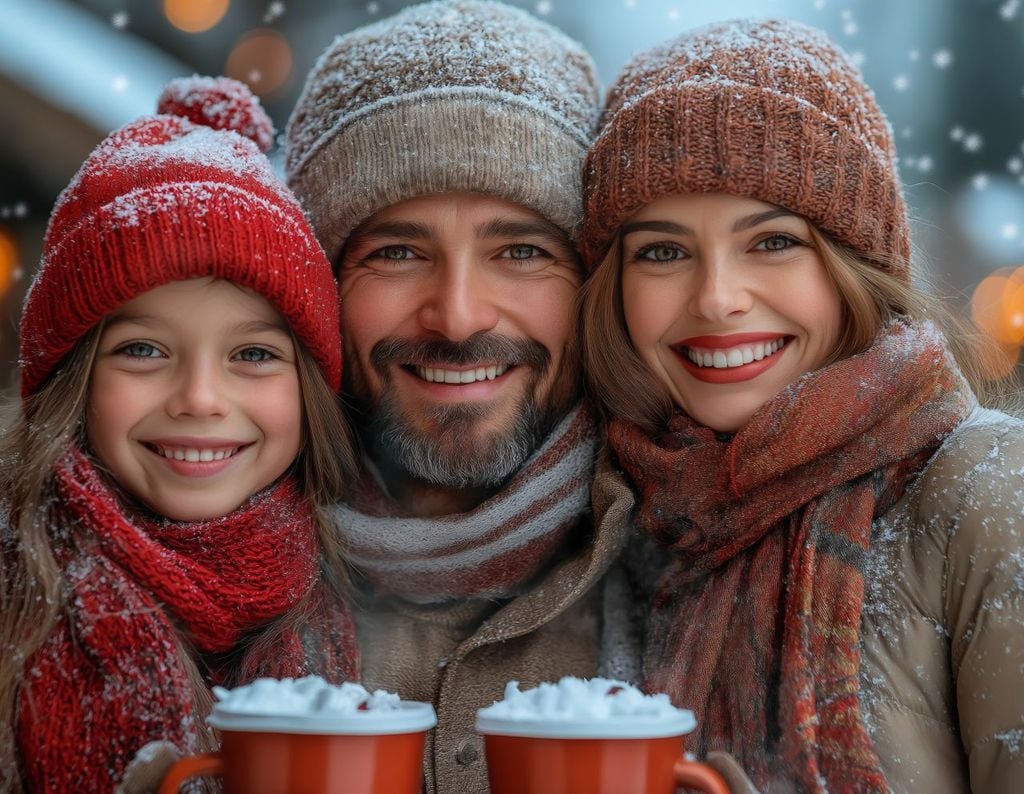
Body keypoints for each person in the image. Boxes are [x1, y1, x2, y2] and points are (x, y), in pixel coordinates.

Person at [579, 18, 1024, 794]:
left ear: (853, 265)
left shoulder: (983, 495)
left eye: (772, 241)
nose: (717, 298)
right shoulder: (622, 522)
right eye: (662, 251)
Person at [283, 2, 651, 792]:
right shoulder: (203, 566)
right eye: (396, 252)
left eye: (521, 251)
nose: (456, 314)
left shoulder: (690, 567)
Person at [0, 77, 359, 792]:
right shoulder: (17, 603)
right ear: (71, 378)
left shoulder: (362, 590)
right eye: (143, 350)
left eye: (253, 355)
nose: (200, 399)